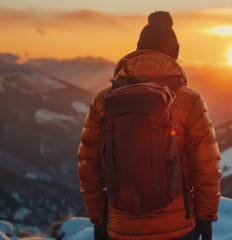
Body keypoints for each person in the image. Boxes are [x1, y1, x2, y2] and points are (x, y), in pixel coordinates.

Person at [77, 11, 222, 240]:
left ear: (138, 49)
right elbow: (205, 168)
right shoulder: (190, 100)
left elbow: (89, 165)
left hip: (120, 226)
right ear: (175, 53)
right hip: (178, 227)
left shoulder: (103, 101)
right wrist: (206, 218)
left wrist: (98, 218)